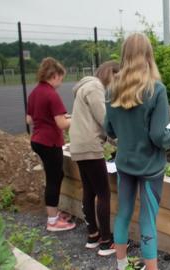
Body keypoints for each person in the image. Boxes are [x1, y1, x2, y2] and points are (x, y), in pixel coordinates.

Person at [104, 33, 170, 270]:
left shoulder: (112, 90)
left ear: (124, 56)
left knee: (123, 213)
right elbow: (159, 137)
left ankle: (122, 266)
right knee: (147, 219)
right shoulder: (156, 90)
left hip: (124, 164)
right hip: (151, 167)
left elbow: (109, 130)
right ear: (148, 56)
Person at [69, 61, 120, 256]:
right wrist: (123, 141)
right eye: (118, 78)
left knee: (89, 191)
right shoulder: (95, 88)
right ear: (111, 74)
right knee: (103, 193)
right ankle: (107, 242)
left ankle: (93, 236)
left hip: (79, 145)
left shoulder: (85, 87)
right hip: (90, 146)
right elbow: (106, 120)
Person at [26, 57, 75, 232]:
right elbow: (62, 124)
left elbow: (30, 119)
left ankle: (53, 212)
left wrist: (52, 119)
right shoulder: (51, 94)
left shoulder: (35, 93)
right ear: (54, 75)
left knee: (54, 176)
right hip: (49, 142)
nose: (61, 83)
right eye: (61, 78)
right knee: (54, 178)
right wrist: (76, 119)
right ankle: (53, 221)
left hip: (37, 139)